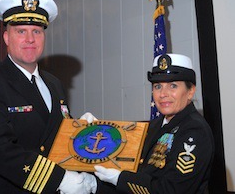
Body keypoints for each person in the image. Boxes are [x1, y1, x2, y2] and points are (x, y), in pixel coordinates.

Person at [0, 0, 97, 193]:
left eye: (36, 31)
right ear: (6, 38)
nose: (30, 39)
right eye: (21, 31)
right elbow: (0, 150)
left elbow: (55, 137)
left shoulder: (54, 83)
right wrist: (59, 180)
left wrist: (81, 132)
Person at [92, 54, 215, 194]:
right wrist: (93, 185)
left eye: (173, 86)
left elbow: (173, 190)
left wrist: (120, 178)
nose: (163, 94)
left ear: (190, 91)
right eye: (157, 86)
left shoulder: (194, 131)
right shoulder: (154, 126)